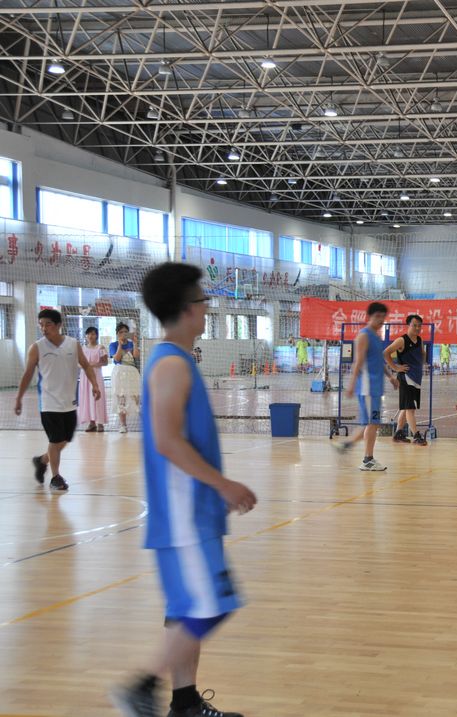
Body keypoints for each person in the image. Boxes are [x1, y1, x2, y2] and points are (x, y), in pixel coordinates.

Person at [110, 262, 256, 717]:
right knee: (212, 604)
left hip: (191, 512)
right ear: (187, 308)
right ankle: (141, 687)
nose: (207, 308)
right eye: (203, 300)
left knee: (186, 610)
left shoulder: (176, 359)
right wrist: (223, 484)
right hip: (183, 515)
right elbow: (168, 441)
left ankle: (185, 703)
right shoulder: (171, 364)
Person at [14, 309, 101, 492]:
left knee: (64, 440)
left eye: (48, 324)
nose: (44, 328)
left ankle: (41, 460)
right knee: (55, 441)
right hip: (48, 403)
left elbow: (86, 366)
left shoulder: (73, 344)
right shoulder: (36, 348)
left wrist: (95, 385)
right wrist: (19, 397)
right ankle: (56, 478)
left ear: (59, 325)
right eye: (41, 325)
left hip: (69, 403)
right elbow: (28, 374)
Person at [336, 303, 396, 471]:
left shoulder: (377, 337)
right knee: (371, 423)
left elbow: (378, 361)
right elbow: (358, 362)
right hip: (367, 387)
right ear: (369, 317)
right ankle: (366, 459)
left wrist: (390, 376)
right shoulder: (363, 336)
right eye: (377, 316)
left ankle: (348, 446)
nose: (380, 320)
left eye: (383, 316)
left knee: (372, 423)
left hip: (376, 388)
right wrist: (351, 384)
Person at [385, 314, 427, 446]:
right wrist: (395, 368)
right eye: (414, 325)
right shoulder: (401, 340)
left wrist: (421, 363)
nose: (417, 328)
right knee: (410, 408)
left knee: (405, 407)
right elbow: (385, 353)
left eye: (419, 326)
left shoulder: (419, 340)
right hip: (406, 378)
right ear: (408, 325)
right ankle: (416, 435)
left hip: (416, 378)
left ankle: (398, 433)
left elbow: (422, 353)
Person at [110, 322, 142, 433]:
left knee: (136, 397)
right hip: (120, 372)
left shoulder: (131, 343)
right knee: (121, 397)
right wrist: (120, 345)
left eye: (125, 332)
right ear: (117, 334)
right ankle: (123, 425)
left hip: (132, 372)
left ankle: (142, 422)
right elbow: (117, 359)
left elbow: (136, 356)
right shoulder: (113, 345)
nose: (123, 334)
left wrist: (135, 343)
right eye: (121, 332)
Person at [78, 326, 108, 432]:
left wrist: (93, 365)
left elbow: (105, 362)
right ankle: (92, 423)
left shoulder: (101, 348)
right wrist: (84, 366)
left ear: (96, 335)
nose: (91, 336)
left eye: (93, 334)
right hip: (84, 376)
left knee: (98, 397)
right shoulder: (82, 348)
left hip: (96, 374)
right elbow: (78, 363)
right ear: (86, 336)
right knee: (87, 398)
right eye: (89, 334)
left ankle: (100, 423)